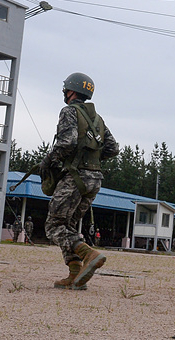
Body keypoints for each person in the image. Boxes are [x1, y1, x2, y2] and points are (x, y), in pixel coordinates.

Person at [41, 72, 119, 290]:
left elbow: (67, 142)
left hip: (75, 178)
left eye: (66, 90)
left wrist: (48, 162)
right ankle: (75, 274)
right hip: (95, 180)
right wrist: (89, 158)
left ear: (71, 91)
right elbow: (113, 148)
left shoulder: (69, 112)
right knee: (69, 226)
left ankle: (89, 254)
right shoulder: (98, 120)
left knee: (54, 225)